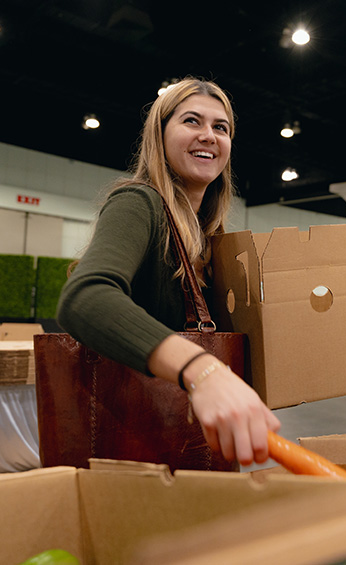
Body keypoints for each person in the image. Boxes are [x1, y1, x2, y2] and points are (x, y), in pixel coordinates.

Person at [56, 78, 280, 466]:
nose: (208, 135)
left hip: (197, 451)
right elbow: (84, 298)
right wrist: (202, 369)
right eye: (192, 121)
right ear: (159, 137)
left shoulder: (212, 238)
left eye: (220, 127)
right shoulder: (138, 202)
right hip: (135, 454)